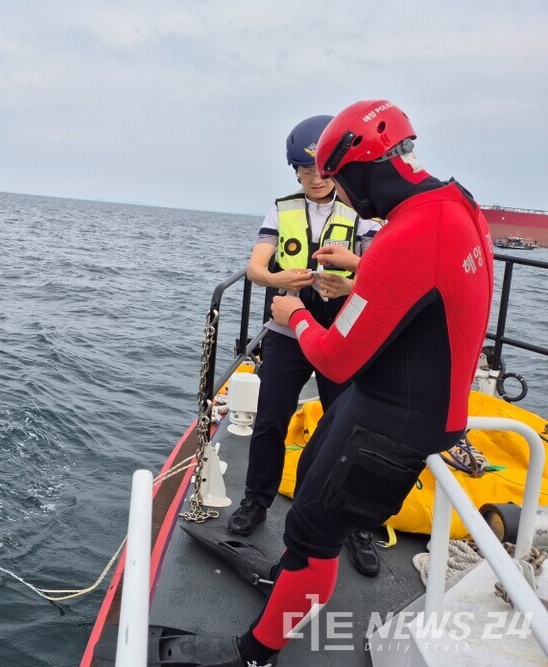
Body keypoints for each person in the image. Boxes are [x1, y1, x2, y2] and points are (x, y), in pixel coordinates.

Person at [171, 99, 494, 666]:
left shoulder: (406, 233)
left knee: (315, 527)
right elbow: (423, 278)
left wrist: (291, 314)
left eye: (341, 178)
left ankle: (255, 651)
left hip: (391, 421)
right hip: (398, 400)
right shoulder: (454, 205)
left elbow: (339, 359)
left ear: (361, 165)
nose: (339, 191)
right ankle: (293, 578)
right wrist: (362, 266)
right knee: (311, 502)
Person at [229, 114, 383, 577]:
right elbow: (257, 267)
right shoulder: (281, 210)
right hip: (286, 333)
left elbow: (380, 271)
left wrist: (349, 283)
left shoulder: (362, 213)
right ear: (294, 170)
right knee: (271, 421)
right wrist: (277, 278)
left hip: (340, 335)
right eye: (306, 170)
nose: (316, 179)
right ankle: (257, 501)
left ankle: (354, 524)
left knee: (349, 430)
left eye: (324, 170)